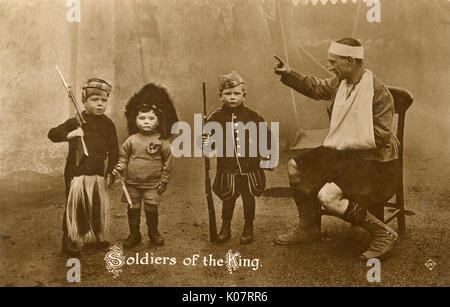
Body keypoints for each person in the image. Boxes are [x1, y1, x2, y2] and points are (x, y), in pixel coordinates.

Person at [273, 38, 401, 260]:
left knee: (328, 196)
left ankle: (382, 233)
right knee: (295, 167)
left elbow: (381, 136)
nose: (330, 67)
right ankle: (309, 229)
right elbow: (314, 87)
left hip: (376, 162)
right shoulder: (339, 83)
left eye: (334, 62)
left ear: (350, 61)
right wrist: (289, 73)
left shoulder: (378, 92)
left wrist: (346, 138)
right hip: (343, 154)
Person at [48, 78, 119, 256]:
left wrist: (111, 171)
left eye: (103, 100)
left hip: (97, 172)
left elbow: (114, 151)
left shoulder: (108, 124)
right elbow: (53, 134)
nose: (100, 104)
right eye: (95, 100)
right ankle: (70, 238)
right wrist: (71, 134)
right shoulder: (75, 122)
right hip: (76, 172)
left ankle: (94, 236)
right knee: (75, 205)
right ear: (84, 101)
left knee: (95, 204)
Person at [203, 71, 272, 244]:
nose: (232, 97)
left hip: (250, 167)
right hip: (227, 168)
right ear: (220, 96)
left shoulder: (253, 116)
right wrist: (205, 140)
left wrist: (267, 158)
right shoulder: (215, 118)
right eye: (227, 94)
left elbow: (266, 137)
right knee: (228, 199)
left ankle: (248, 227)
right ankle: (225, 227)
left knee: (248, 199)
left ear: (244, 95)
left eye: (236, 93)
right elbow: (209, 146)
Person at [112, 83, 178, 249]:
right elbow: (124, 156)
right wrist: (120, 167)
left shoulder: (162, 141)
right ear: (135, 120)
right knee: (132, 208)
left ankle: (153, 232)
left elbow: (168, 163)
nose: (146, 122)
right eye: (142, 118)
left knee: (151, 208)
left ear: (158, 121)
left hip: (152, 184)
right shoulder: (132, 140)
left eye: (151, 118)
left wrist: (163, 180)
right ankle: (134, 233)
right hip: (132, 183)